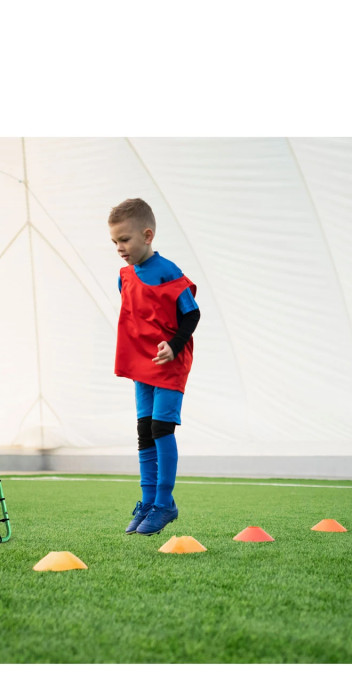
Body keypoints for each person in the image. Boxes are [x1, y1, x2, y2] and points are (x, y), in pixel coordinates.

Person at [110, 198, 200, 535]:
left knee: (162, 428)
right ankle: (147, 502)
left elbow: (192, 314)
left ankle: (165, 503)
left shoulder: (168, 271)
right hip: (143, 366)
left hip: (170, 364)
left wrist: (173, 346)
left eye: (124, 239)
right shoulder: (124, 277)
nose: (119, 248)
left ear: (147, 235)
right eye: (114, 242)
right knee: (144, 430)